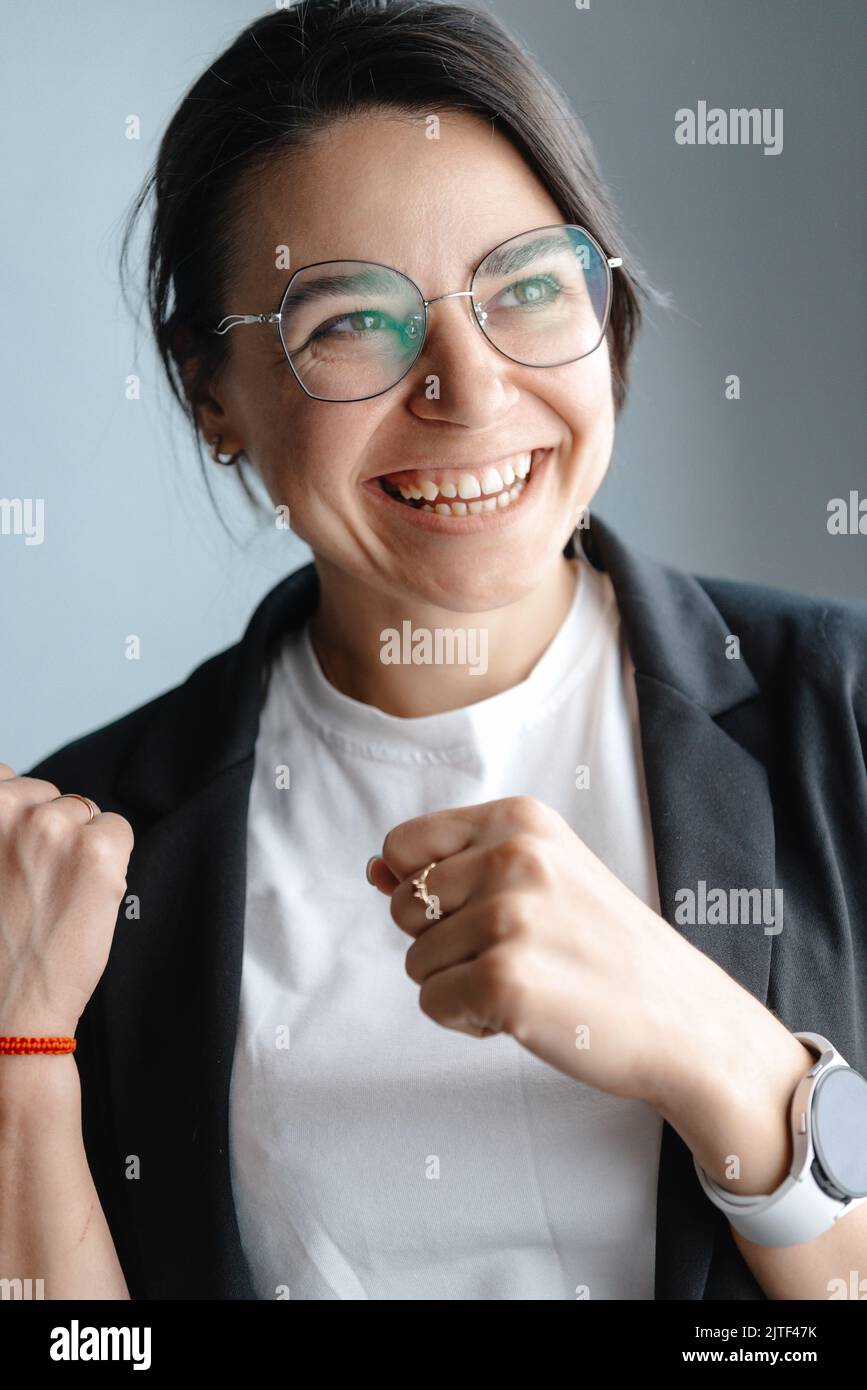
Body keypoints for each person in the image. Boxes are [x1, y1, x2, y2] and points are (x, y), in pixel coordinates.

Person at [1, 0, 865, 1302]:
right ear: (210, 395)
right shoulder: (84, 857)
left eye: (526, 285)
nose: (470, 387)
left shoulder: (843, 714)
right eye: (350, 320)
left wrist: (724, 1057)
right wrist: (19, 1062)